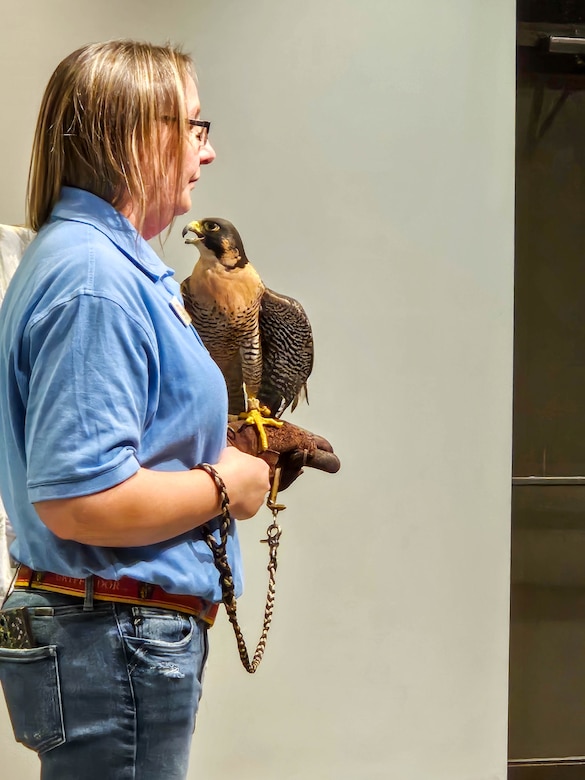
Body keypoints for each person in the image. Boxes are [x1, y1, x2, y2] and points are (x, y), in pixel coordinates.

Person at [0, 40, 271, 780]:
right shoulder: (94, 277)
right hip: (111, 633)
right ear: (137, 135)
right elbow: (80, 501)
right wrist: (228, 485)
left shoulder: (104, 262)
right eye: (193, 127)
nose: (205, 153)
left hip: (109, 631)